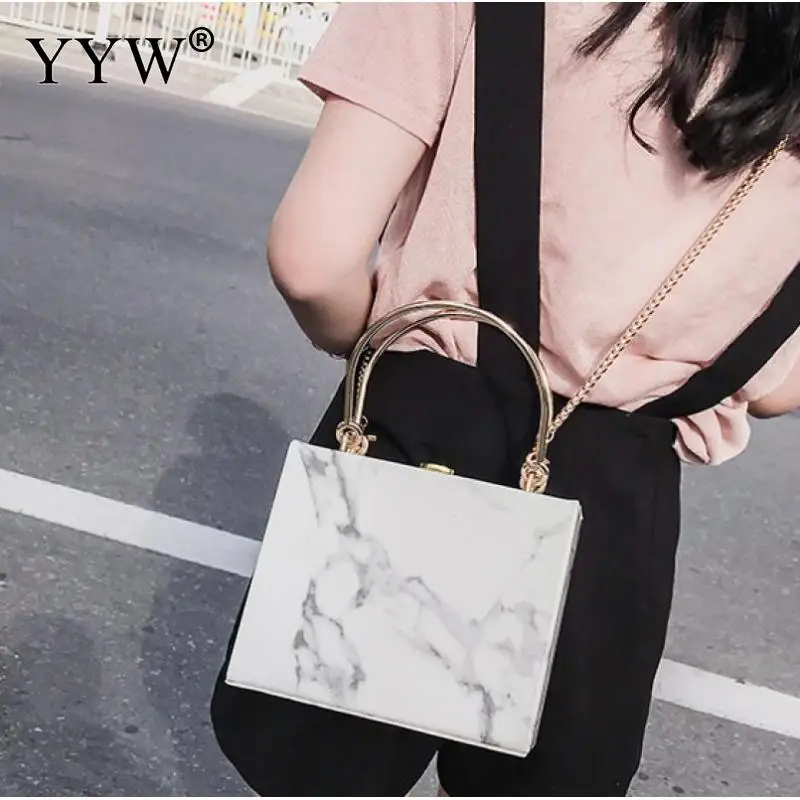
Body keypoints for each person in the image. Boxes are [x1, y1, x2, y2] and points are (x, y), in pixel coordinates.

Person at [211, 3, 800, 796]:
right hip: (616, 500)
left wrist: (384, 356)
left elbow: (314, 260)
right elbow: (778, 388)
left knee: (322, 772)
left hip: (424, 431)